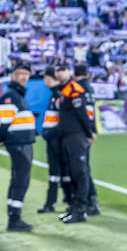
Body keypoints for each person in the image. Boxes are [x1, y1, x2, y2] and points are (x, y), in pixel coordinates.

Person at [0, 64, 36, 232]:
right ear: (13, 76)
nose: (24, 77)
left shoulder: (18, 95)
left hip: (24, 142)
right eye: (20, 74)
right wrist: (1, 137)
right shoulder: (10, 96)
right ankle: (14, 218)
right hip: (18, 143)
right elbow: (4, 121)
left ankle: (14, 216)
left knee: (19, 179)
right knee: (21, 180)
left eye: (26, 74)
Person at [53, 65, 95, 224]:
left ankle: (81, 210)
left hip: (76, 136)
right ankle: (73, 207)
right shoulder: (63, 90)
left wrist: (89, 133)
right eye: (58, 70)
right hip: (66, 136)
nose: (59, 72)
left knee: (79, 172)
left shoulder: (74, 89)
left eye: (63, 69)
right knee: (71, 174)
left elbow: (82, 113)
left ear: (69, 72)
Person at [36, 66, 68, 214]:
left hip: (57, 140)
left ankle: (57, 201)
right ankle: (54, 201)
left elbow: (63, 119)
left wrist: (51, 133)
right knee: (56, 172)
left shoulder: (59, 94)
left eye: (45, 77)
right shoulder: (54, 94)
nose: (44, 81)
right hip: (54, 139)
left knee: (59, 172)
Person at [74, 63, 101, 215]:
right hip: (88, 130)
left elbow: (81, 112)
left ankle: (90, 200)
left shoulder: (77, 88)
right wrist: (93, 130)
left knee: (82, 168)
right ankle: (91, 200)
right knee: (85, 166)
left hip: (80, 131)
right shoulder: (90, 88)